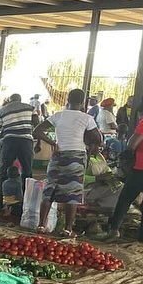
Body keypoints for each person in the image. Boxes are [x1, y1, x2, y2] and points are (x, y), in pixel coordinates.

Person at [34, 88, 103, 237]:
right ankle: (68, 229)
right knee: (73, 192)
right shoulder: (86, 118)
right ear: (83, 102)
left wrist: (52, 142)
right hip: (76, 157)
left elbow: (37, 131)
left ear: (68, 100)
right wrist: (91, 144)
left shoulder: (58, 115)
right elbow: (98, 138)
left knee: (50, 190)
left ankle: (41, 225)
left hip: (58, 155)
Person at [107, 95, 143, 244]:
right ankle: (142, 240)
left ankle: (114, 230)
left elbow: (133, 143)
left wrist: (129, 150)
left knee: (125, 198)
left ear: (141, 114)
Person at [0, 93, 39, 207]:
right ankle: (26, 202)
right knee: (27, 172)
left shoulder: (2, 110)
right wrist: (38, 142)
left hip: (10, 142)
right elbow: (37, 125)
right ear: (20, 100)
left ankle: (1, 202)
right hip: (26, 142)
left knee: (3, 171)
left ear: (9, 100)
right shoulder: (30, 108)